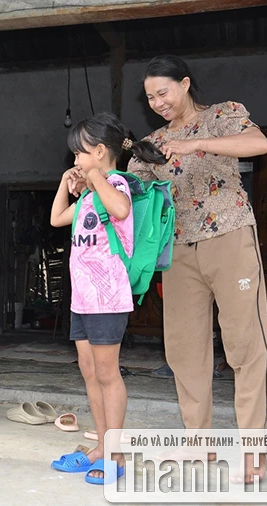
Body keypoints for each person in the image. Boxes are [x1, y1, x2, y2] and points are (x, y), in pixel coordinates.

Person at [127, 55, 267, 480]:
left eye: (163, 92)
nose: (157, 102)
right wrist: (95, 179)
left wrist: (194, 144)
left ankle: (253, 452)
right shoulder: (153, 141)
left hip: (228, 236)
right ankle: (199, 446)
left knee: (245, 344)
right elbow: (132, 190)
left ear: (185, 84)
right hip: (179, 250)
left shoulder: (223, 115)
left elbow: (258, 144)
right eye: (150, 96)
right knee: (185, 350)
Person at [50, 113, 166, 484]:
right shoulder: (89, 194)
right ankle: (99, 445)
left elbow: (120, 210)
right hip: (83, 299)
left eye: (79, 156)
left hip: (108, 297)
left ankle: (114, 454)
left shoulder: (117, 183)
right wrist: (66, 184)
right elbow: (57, 219)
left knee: (107, 373)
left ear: (99, 152)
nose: (75, 162)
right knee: (88, 371)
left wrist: (95, 177)